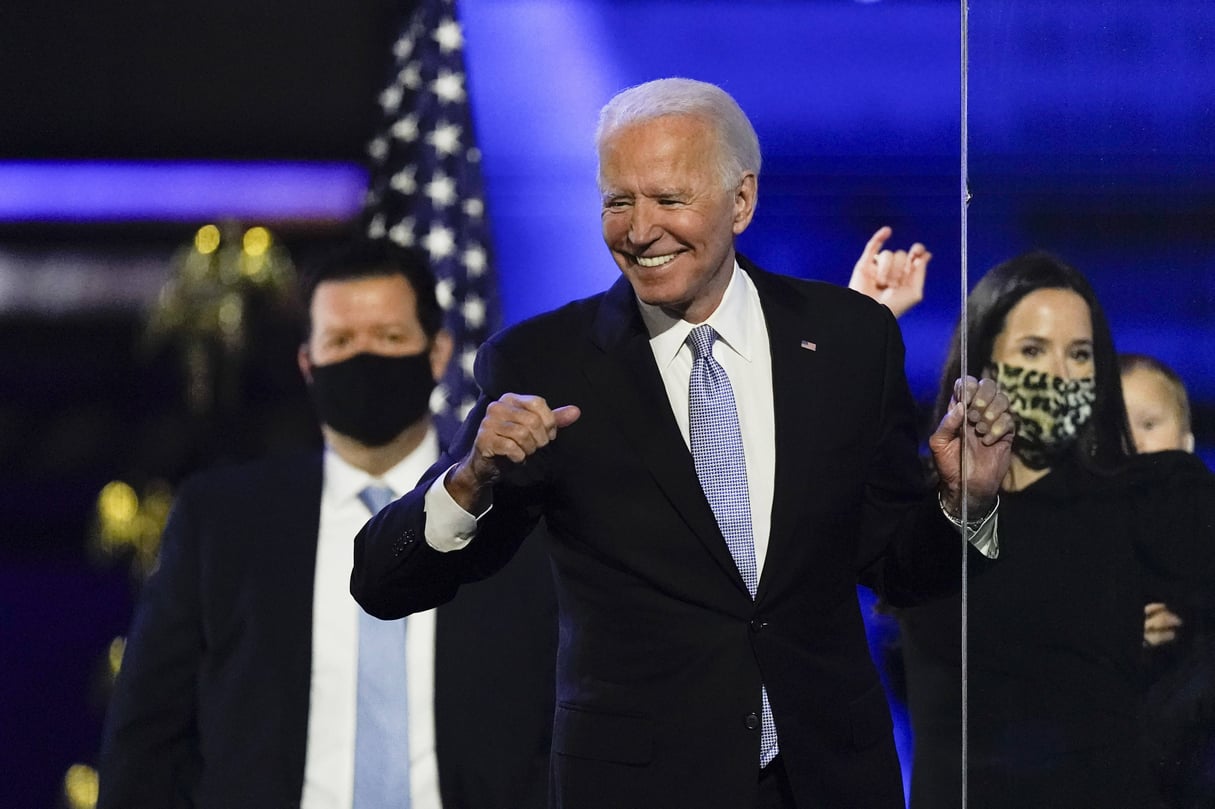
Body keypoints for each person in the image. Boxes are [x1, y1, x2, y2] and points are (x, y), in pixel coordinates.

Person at [350, 77, 1014, 809]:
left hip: (826, 781)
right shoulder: (544, 364)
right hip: (638, 786)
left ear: (741, 201)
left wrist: (963, 499)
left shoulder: (851, 339)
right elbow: (384, 584)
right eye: (617, 201)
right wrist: (469, 479)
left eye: (668, 200)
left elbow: (896, 565)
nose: (639, 230)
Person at [98, 240, 557, 809]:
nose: (364, 357)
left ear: (437, 353)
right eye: (341, 341)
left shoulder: (517, 518)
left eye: (389, 338)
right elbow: (148, 737)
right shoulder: (221, 520)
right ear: (307, 363)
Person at [897, 251, 1215, 809]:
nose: (1059, 375)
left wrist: (1178, 646)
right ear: (985, 362)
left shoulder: (1147, 495)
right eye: (1033, 350)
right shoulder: (928, 503)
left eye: (1081, 354)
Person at [1120, 353, 1215, 808]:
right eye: (1116, 429)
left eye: (1149, 423)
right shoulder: (1083, 523)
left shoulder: (1193, 499)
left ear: (1188, 439)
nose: (1133, 441)